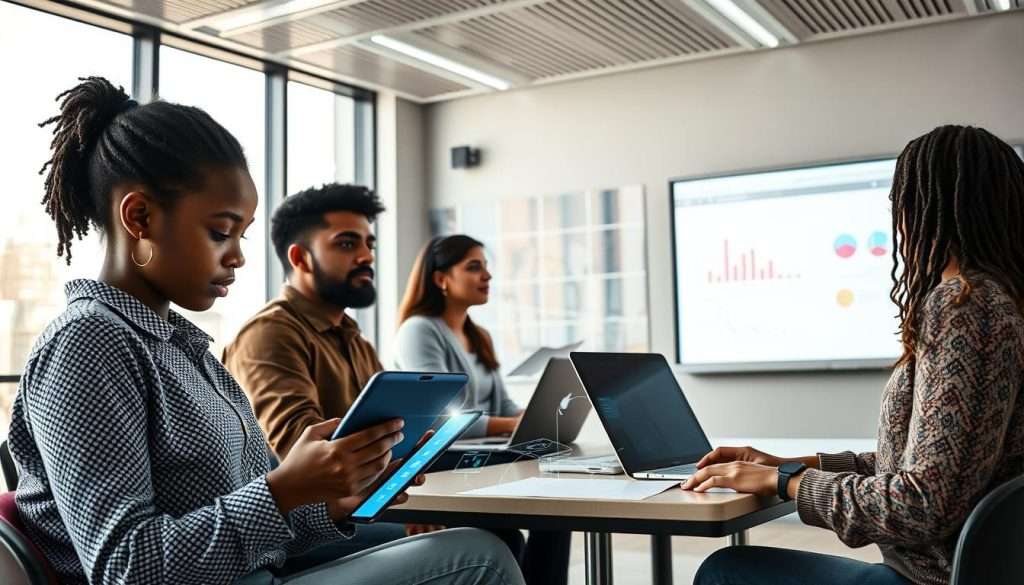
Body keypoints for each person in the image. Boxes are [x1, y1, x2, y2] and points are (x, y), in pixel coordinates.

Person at [7, 76, 523, 585]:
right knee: (478, 557)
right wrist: (282, 491)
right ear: (139, 217)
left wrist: (327, 506)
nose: (237, 256)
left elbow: (261, 527)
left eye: (242, 234)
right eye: (220, 232)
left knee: (481, 542)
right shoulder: (87, 343)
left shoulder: (185, 350)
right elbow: (128, 566)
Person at [685, 125, 1024, 585]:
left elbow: (921, 503)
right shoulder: (1001, 302)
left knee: (726, 571)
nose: (898, 220)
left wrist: (786, 484)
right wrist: (791, 466)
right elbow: (928, 464)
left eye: (900, 202)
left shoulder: (966, 306)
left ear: (927, 210)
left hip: (929, 579)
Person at [223, 183, 439, 557]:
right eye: (346, 243)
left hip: (366, 501)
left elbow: (394, 432)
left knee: (503, 532)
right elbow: (300, 451)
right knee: (478, 540)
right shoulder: (269, 334)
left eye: (369, 244)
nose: (366, 256)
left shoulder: (354, 339)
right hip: (297, 528)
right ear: (300, 258)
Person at [394, 234, 572, 585]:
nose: (486, 276)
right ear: (441, 279)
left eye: (486, 267)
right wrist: (510, 424)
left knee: (558, 509)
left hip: (481, 454)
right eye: (473, 267)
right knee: (524, 526)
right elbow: (439, 420)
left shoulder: (480, 336)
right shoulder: (419, 330)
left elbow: (503, 405)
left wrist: (529, 417)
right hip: (443, 461)